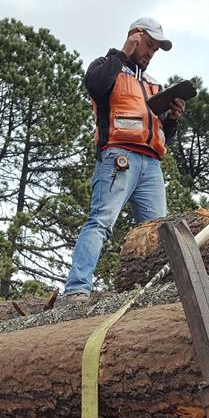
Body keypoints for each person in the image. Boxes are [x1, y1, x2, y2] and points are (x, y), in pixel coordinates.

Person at [57, 17, 187, 305]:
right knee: (101, 221)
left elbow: (160, 133)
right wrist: (123, 53)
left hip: (151, 164)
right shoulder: (107, 66)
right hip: (119, 156)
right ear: (135, 36)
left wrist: (172, 119)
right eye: (148, 45)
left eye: (155, 50)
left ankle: (156, 292)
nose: (151, 53)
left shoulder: (153, 84)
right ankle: (76, 289)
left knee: (156, 232)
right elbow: (95, 86)